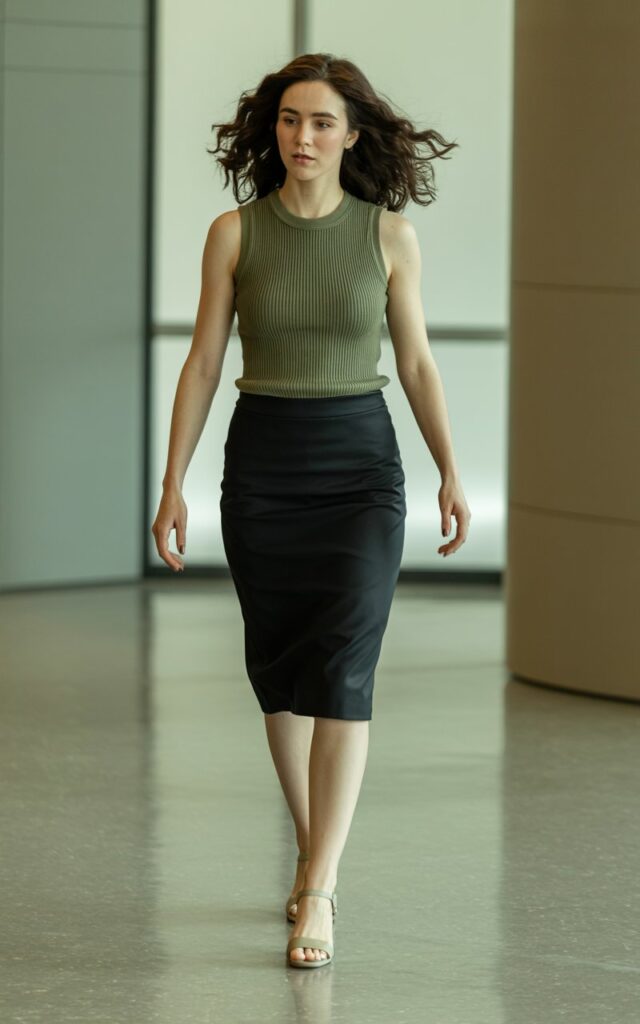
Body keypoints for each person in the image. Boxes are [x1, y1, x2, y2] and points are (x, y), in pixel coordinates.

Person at [151, 52, 471, 969]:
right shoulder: (234, 233)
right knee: (285, 671)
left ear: (352, 134)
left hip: (361, 470)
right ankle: (312, 851)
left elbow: (414, 365)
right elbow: (205, 362)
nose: (304, 137)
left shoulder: (388, 237)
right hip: (264, 466)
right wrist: (172, 482)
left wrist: (451, 470)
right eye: (291, 120)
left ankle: (319, 889)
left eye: (323, 122)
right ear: (273, 130)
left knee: (345, 664)